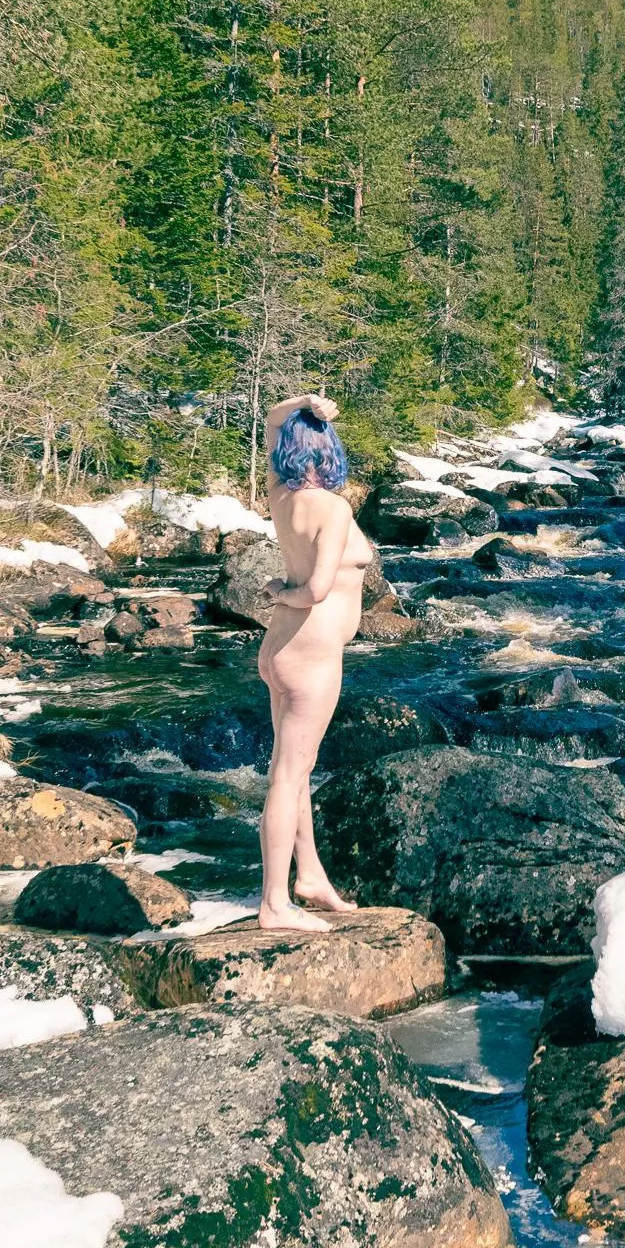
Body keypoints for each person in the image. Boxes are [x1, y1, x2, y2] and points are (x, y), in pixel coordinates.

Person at [254, 393, 371, 931]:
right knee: (288, 776)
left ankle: (311, 876)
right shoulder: (335, 508)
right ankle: (274, 904)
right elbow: (318, 589)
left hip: (278, 652)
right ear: (328, 450)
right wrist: (286, 591)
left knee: (293, 771)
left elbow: (272, 420)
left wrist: (302, 403)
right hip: (313, 657)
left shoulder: (280, 496)